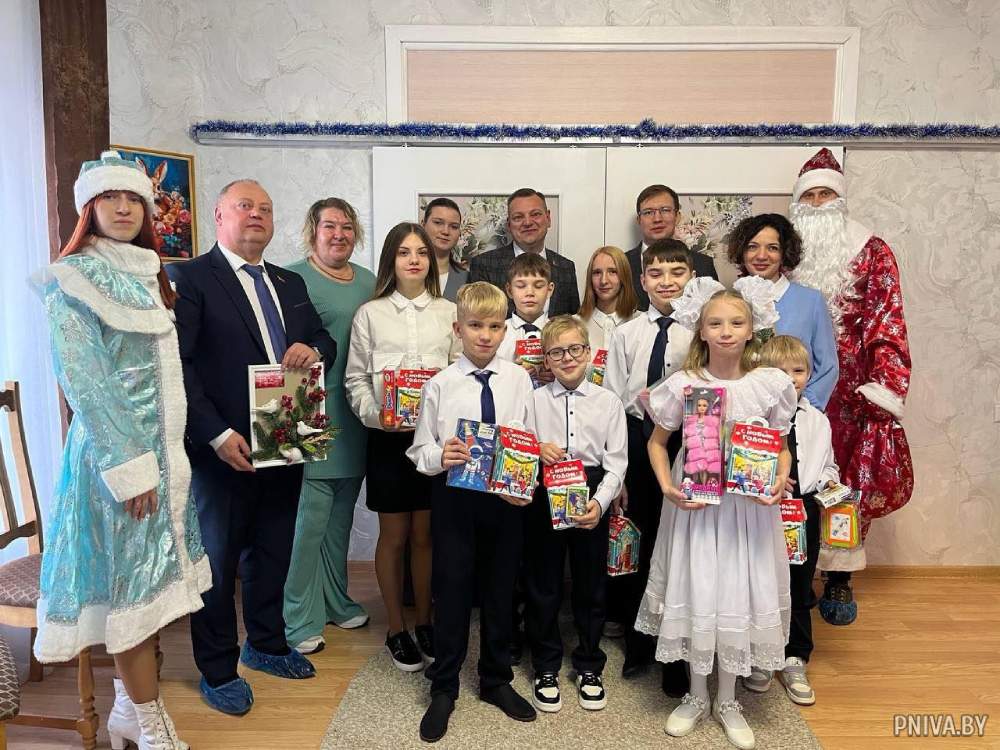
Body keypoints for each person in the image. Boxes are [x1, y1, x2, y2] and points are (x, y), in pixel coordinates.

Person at [34, 151, 211, 749]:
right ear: (89, 206)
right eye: (110, 196)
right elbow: (87, 383)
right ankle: (153, 725)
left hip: (164, 460)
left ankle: (127, 712)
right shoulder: (72, 279)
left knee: (150, 591)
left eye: (134, 197)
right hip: (117, 465)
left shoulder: (147, 275)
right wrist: (132, 471)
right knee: (132, 595)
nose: (124, 207)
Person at [168, 179, 335, 716]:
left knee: (273, 550)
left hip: (287, 434)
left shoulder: (289, 280)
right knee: (218, 563)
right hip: (224, 447)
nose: (257, 215)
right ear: (219, 216)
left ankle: (265, 644)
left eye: (265, 207)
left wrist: (313, 348)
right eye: (245, 206)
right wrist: (215, 434)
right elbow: (179, 364)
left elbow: (325, 340)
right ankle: (218, 670)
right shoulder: (190, 277)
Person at [639, 276, 797, 750]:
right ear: (701, 330)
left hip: (747, 510)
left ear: (752, 329)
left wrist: (778, 481)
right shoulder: (684, 383)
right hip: (696, 506)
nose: (726, 331)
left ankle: (728, 699)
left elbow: (781, 447)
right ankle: (696, 694)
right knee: (699, 583)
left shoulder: (769, 384)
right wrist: (667, 486)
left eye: (736, 322)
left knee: (736, 590)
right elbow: (657, 443)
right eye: (715, 323)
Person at [788, 148, 914, 625]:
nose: (818, 203)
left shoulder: (872, 250)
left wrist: (884, 385)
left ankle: (840, 575)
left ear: (840, 201)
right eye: (809, 196)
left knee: (843, 483)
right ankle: (796, 569)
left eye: (826, 195)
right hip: (791, 386)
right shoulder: (782, 251)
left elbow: (887, 319)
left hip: (850, 394)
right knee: (793, 476)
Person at [407, 282, 537, 742]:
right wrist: (439, 455)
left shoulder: (519, 380)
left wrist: (526, 483)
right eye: (476, 326)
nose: (485, 335)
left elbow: (529, 439)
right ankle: (444, 685)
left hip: (505, 501)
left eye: (495, 326)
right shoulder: (440, 385)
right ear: (458, 328)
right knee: (453, 589)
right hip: (454, 498)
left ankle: (495, 679)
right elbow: (419, 449)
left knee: (501, 589)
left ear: (506, 330)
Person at [344, 222, 458, 672]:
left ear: (432, 261)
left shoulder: (449, 312)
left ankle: (424, 621)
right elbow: (355, 379)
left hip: (435, 443)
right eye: (404, 252)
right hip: (387, 441)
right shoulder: (370, 314)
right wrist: (377, 416)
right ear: (391, 259)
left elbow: (459, 374)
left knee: (426, 536)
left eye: (422, 253)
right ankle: (395, 627)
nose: (414, 260)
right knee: (393, 537)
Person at [282, 198, 376, 656]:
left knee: (341, 518)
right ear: (313, 231)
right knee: (308, 521)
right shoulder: (289, 278)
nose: (339, 235)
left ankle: (336, 599)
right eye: (329, 226)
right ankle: (297, 616)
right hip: (307, 410)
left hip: (356, 411)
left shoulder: (369, 281)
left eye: (347, 227)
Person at [602, 239, 694, 687]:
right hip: (637, 440)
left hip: (688, 445)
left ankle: (676, 652)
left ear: (691, 277)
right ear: (642, 280)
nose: (666, 282)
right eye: (656, 274)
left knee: (679, 540)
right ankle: (638, 641)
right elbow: (612, 401)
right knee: (637, 537)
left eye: (677, 273)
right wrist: (616, 470)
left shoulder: (700, 332)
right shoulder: (626, 333)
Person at [525, 316, 628, 713]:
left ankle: (589, 663)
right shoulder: (533, 400)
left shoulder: (608, 402)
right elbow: (518, 443)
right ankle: (546, 664)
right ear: (546, 359)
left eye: (574, 349)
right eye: (556, 352)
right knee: (543, 583)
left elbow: (617, 463)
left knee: (590, 586)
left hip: (590, 492)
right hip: (545, 492)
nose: (566, 358)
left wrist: (600, 503)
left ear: (588, 353)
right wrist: (537, 448)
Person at [742, 335, 841, 707]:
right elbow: (745, 463)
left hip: (805, 511)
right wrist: (772, 477)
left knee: (800, 582)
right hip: (765, 507)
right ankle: (761, 654)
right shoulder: (756, 420)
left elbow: (828, 463)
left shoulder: (818, 420)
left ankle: (795, 656)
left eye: (798, 370)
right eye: (780, 371)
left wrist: (828, 481)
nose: (790, 378)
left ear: (809, 374)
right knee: (762, 581)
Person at [726, 213, 839, 410]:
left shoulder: (811, 301)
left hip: (796, 410)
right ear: (742, 252)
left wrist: (802, 407)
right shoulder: (728, 301)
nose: (761, 256)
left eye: (772, 248)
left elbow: (828, 367)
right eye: (752, 247)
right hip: (740, 410)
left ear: (784, 253)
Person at [468, 188, 580, 316]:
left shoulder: (566, 268)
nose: (527, 222)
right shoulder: (483, 265)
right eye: (518, 217)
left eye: (535, 214)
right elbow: (476, 320)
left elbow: (573, 321)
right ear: (509, 225)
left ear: (548, 218)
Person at [625, 184, 718, 311]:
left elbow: (714, 312)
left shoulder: (703, 264)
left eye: (665, 210)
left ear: (677, 216)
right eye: (648, 212)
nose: (657, 219)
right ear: (639, 220)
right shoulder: (620, 263)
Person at [496, 253, 554, 376]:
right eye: (521, 286)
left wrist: (557, 377)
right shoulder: (497, 333)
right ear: (509, 290)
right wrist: (510, 374)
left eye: (538, 286)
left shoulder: (560, 334)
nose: (530, 293)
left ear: (549, 290)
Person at [576, 245, 640, 352]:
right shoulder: (574, 324)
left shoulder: (642, 323)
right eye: (597, 273)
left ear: (624, 276)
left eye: (612, 272)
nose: (603, 281)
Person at [422, 197, 468, 301]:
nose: (445, 231)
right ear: (423, 225)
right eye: (438, 223)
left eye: (454, 226)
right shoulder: (407, 272)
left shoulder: (468, 279)